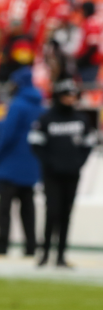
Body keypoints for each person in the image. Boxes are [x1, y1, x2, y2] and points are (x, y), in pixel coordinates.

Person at [29, 79, 96, 267]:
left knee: (66, 214)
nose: (70, 99)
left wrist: (78, 163)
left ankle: (60, 256)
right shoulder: (46, 118)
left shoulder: (82, 119)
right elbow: (35, 144)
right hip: (51, 175)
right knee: (52, 212)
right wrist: (50, 164)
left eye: (73, 95)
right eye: (66, 95)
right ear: (58, 96)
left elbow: (88, 144)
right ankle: (44, 254)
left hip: (72, 174)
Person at [0, 68, 43, 256]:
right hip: (31, 165)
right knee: (28, 209)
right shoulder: (40, 105)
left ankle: (2, 246)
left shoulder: (17, 105)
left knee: (4, 209)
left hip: (10, 166)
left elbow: (6, 135)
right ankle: (31, 246)